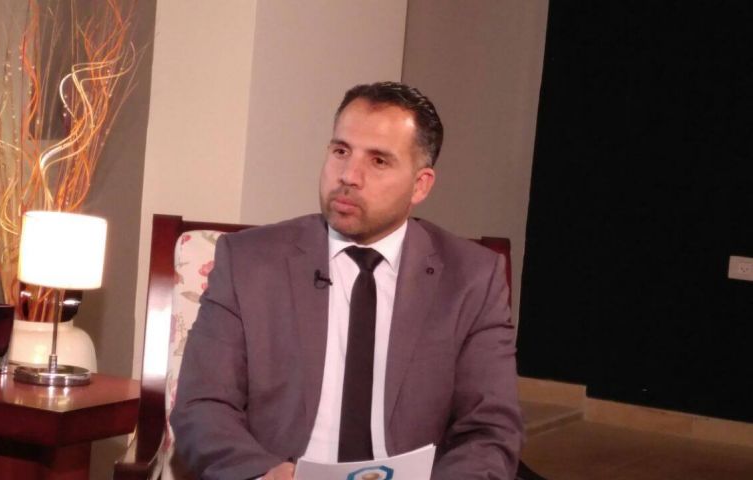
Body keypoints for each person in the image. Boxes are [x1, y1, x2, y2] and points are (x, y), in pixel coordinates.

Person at [171, 81, 523, 480]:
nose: (349, 176)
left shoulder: (472, 278)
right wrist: (263, 472)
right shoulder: (248, 261)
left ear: (420, 185)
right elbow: (202, 406)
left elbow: (489, 430)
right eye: (341, 151)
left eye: (378, 161)